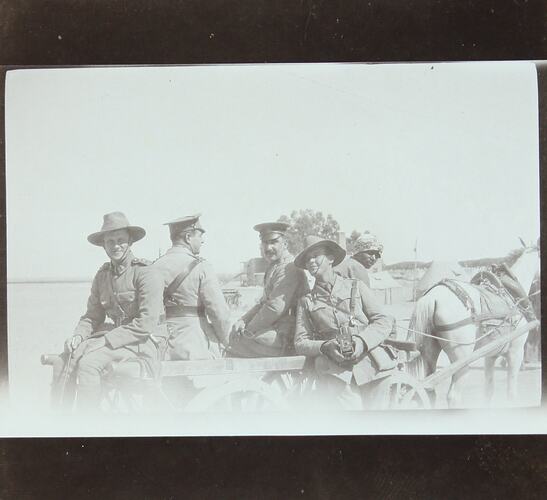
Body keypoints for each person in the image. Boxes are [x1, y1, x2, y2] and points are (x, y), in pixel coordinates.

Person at [53, 212, 164, 412]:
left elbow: (146, 323)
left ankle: (89, 428)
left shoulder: (146, 272)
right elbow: (92, 315)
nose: (115, 246)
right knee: (64, 360)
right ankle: (60, 422)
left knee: (88, 363)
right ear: (103, 245)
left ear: (130, 241)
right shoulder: (102, 276)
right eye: (110, 241)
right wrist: (78, 336)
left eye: (121, 240)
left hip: (144, 341)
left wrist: (103, 341)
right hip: (115, 340)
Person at [294, 235, 395, 410]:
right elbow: (300, 342)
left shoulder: (355, 287)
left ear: (331, 258)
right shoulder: (306, 301)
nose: (311, 261)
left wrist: (362, 342)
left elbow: (383, 320)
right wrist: (325, 346)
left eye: (316, 255)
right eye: (307, 259)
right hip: (336, 372)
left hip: (372, 366)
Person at [153, 214, 231, 361]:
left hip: (163, 347)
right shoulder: (202, 267)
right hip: (196, 345)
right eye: (200, 236)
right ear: (188, 237)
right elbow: (219, 313)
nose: (202, 240)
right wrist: (227, 342)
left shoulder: (154, 267)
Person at [228, 222, 307, 357]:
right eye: (265, 243)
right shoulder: (274, 266)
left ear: (285, 243)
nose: (268, 247)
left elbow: (274, 308)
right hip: (278, 328)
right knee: (235, 334)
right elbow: (263, 303)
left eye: (274, 242)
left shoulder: (289, 267)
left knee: (236, 341)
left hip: (292, 333)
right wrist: (243, 320)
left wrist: (248, 329)